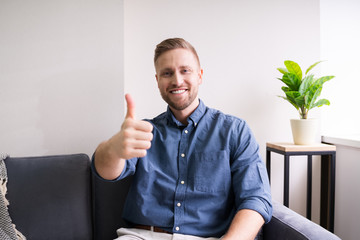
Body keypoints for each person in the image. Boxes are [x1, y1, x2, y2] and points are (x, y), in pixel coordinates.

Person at [92, 38, 272, 240]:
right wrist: (113, 149)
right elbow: (104, 172)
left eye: (185, 70)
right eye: (167, 73)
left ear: (200, 75)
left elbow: (256, 199)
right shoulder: (143, 132)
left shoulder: (235, 131)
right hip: (143, 236)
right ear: (158, 80)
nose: (177, 80)